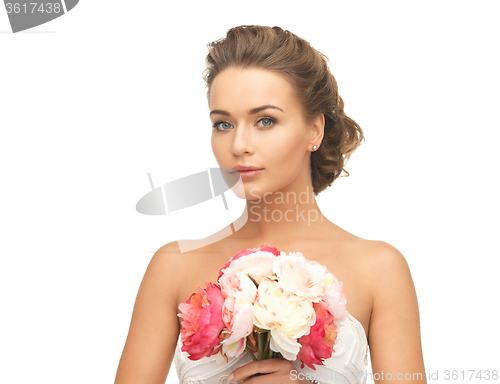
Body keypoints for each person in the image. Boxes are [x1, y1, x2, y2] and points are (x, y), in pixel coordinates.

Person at [114, 25, 426, 384]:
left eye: (265, 120)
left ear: (314, 131)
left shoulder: (380, 269)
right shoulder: (172, 267)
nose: (239, 145)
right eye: (223, 124)